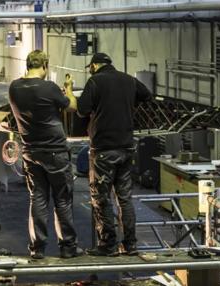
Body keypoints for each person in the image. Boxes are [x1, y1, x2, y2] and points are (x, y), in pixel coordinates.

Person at [77, 53, 153, 257]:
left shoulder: (95, 81)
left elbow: (82, 110)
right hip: (127, 148)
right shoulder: (129, 79)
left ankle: (108, 245)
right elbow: (148, 96)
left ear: (94, 65)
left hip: (103, 149)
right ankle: (130, 245)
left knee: (101, 198)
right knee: (125, 198)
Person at [8, 50, 82, 259]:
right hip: (55, 151)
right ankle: (68, 247)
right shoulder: (49, 88)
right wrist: (68, 89)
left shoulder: (14, 88)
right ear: (45, 66)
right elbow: (72, 107)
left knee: (38, 199)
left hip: (31, 152)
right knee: (62, 200)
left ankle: (37, 249)